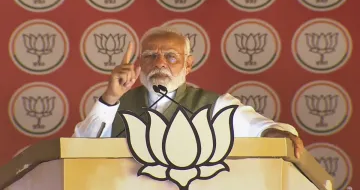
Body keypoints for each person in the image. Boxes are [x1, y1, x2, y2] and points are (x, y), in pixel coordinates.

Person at [73, 26, 304, 158]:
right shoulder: (115, 105)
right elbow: (78, 149)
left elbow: (265, 128)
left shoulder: (215, 105)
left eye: (171, 56)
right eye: (150, 56)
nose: (160, 63)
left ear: (189, 65)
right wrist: (111, 98)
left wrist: (276, 134)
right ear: (140, 64)